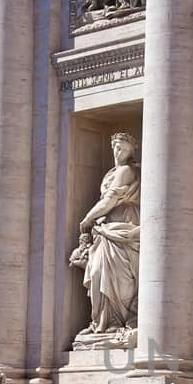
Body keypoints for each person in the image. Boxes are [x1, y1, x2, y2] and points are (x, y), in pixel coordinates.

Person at [70, 133, 141, 335]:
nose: (119, 152)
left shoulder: (126, 171)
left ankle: (116, 321)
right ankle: (103, 322)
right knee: (97, 272)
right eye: (117, 147)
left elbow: (109, 201)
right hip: (107, 227)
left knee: (119, 277)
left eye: (124, 149)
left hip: (123, 223)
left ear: (131, 152)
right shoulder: (111, 172)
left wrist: (88, 218)